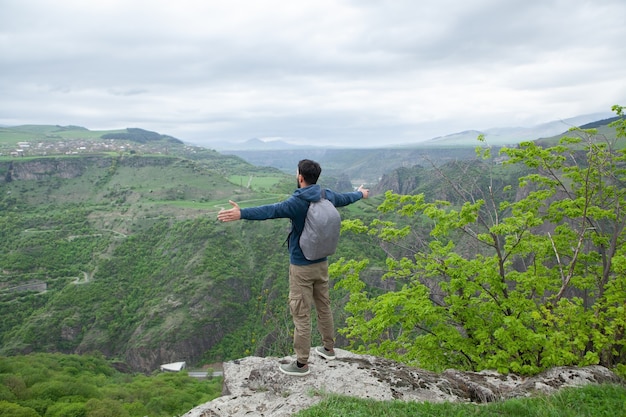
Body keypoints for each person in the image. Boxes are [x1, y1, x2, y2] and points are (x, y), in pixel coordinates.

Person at [217, 159, 369, 376]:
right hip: (322, 263)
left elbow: (271, 210)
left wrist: (241, 213)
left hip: (301, 267)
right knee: (324, 305)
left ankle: (301, 364)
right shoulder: (326, 195)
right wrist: (360, 194)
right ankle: (328, 348)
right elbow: (346, 198)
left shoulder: (297, 202)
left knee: (301, 313)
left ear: (300, 177)